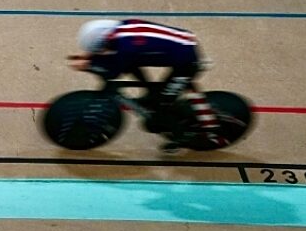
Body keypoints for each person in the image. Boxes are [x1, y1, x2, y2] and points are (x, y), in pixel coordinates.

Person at [67, 19, 224, 151]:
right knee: (134, 68)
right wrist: (90, 56)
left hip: (187, 62)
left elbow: (112, 72)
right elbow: (117, 53)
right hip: (183, 45)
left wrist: (89, 65)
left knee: (162, 103)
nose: (103, 50)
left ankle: (185, 135)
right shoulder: (122, 29)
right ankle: (153, 95)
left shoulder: (126, 48)